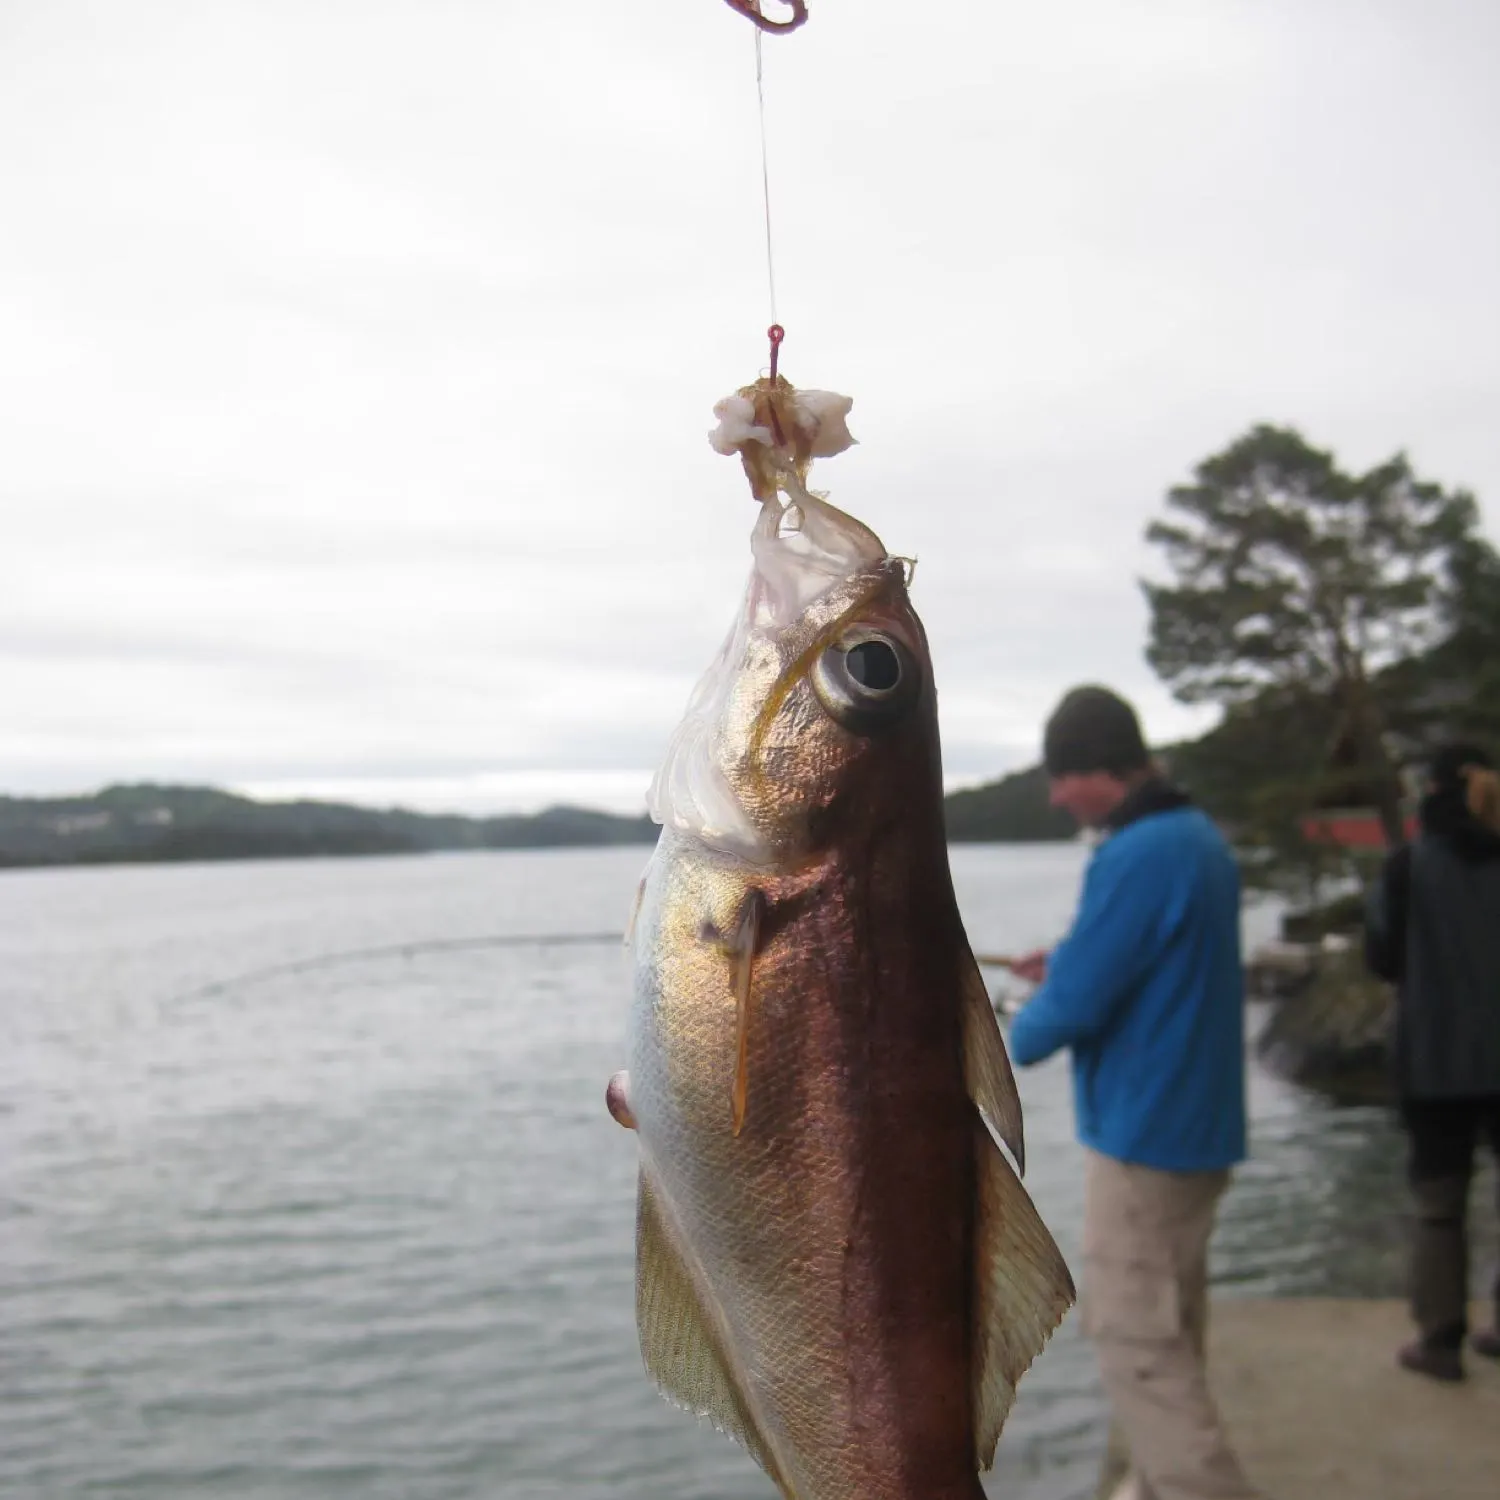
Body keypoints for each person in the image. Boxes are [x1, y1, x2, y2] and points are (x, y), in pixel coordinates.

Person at [1006, 685, 1255, 1500]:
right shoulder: (1194, 838)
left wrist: (1018, 1022)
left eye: (1060, 777)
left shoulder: (1138, 851)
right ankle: (1154, 1481)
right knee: (1173, 1320)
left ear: (1093, 769)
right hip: (1200, 1130)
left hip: (1148, 1137)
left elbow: (1061, 1020)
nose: (1054, 796)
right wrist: (1065, 962)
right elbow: (1141, 961)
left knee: (1133, 1337)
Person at [1364, 742, 1500, 1382]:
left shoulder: (1407, 868)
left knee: (1440, 1206)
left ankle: (1441, 1339)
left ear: (1432, 788)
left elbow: (1383, 958)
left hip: (1435, 1062)